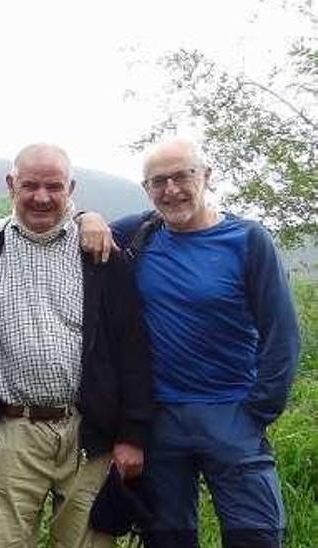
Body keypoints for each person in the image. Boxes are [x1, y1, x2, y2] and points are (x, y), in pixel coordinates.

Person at [0, 144, 151, 547]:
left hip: (88, 433)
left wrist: (133, 434)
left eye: (54, 186)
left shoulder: (101, 252)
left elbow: (132, 348)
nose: (42, 197)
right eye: (30, 185)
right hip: (13, 431)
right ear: (11, 185)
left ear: (71, 188)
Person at [104, 138, 300, 547]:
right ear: (147, 189)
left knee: (257, 535)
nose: (171, 189)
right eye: (159, 181)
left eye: (182, 176)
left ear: (206, 176)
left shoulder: (248, 240)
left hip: (233, 414)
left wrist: (260, 409)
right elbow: (80, 229)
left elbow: (281, 335)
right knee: (167, 537)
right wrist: (87, 217)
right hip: (161, 420)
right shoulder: (139, 234)